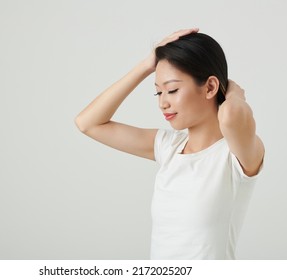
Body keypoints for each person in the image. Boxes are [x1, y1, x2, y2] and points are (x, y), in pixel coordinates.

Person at [74, 28, 264, 260]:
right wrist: (146, 65)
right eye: (158, 93)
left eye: (172, 90)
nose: (163, 103)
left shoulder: (236, 156)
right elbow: (88, 123)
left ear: (210, 87)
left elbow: (230, 116)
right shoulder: (168, 147)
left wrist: (234, 93)